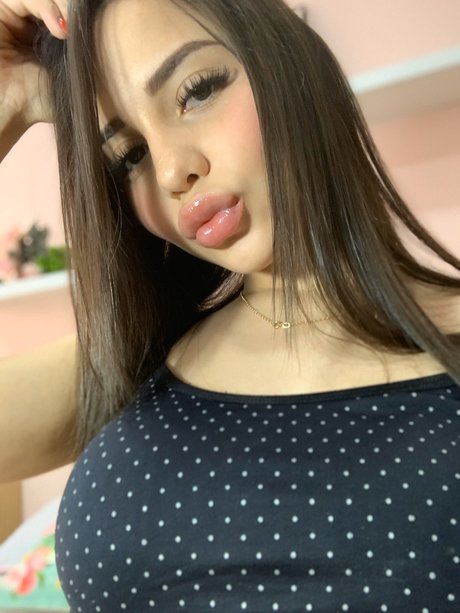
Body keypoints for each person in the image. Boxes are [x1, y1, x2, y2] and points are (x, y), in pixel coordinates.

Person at [1, 0, 459, 610]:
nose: (171, 170)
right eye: (130, 154)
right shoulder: (133, 360)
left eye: (196, 92)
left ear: (288, 53)